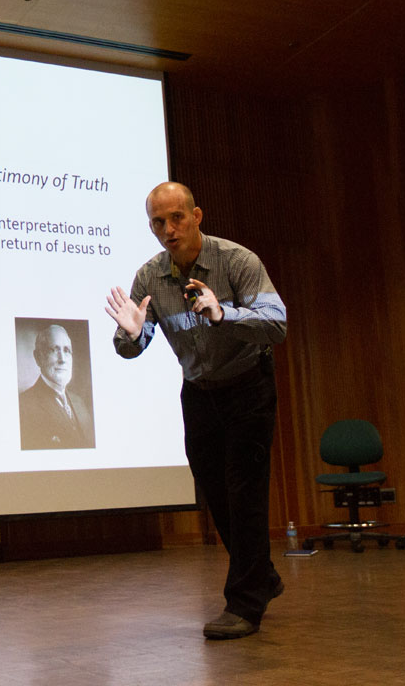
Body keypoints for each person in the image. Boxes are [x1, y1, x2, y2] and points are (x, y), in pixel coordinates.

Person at [105, 181, 287, 641]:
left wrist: (225, 313)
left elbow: (278, 324)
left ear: (197, 215)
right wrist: (129, 336)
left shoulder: (237, 261)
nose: (169, 229)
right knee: (216, 494)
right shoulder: (149, 277)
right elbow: (135, 344)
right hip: (199, 393)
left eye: (177, 218)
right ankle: (261, 576)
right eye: (158, 222)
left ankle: (245, 605)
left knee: (244, 493)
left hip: (248, 387)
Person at [19, 324, 95, 449]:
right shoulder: (24, 405)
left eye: (66, 350)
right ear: (38, 357)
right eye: (54, 350)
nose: (62, 359)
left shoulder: (79, 403)